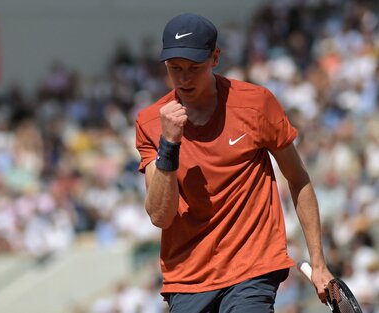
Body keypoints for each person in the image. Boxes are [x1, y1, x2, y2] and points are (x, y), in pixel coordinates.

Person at [134, 13, 334, 312]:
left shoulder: (256, 104)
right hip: (188, 277)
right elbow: (161, 216)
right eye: (175, 69)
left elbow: (298, 178)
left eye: (194, 68)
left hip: (253, 266)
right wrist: (169, 144)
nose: (184, 78)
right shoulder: (151, 122)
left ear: (215, 58)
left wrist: (319, 264)